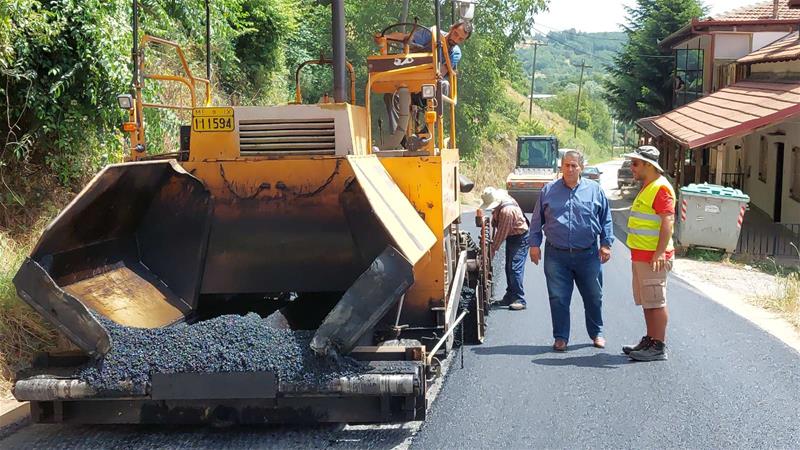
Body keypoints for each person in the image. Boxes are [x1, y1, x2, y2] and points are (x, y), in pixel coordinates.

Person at [529, 150, 613, 352]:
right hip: (556, 255)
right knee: (558, 297)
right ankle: (560, 337)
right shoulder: (548, 191)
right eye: (566, 165)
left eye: (574, 165)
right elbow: (537, 220)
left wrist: (606, 244)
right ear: (561, 167)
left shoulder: (595, 191)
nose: (569, 169)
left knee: (594, 295)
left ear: (581, 168)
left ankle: (597, 333)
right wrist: (534, 245)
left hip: (588, 254)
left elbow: (606, 219)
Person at [622, 146, 675, 362]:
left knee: (656, 300)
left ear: (648, 165)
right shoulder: (648, 186)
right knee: (647, 300)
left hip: (653, 257)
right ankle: (650, 339)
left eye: (635, 163)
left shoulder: (660, 188)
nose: (631, 167)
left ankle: (658, 345)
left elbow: (667, 221)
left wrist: (660, 253)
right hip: (642, 256)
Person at [383, 20, 472, 149]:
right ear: (452, 28)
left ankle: (425, 134)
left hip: (428, 89)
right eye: (455, 33)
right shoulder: (432, 33)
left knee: (444, 85)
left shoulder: (455, 52)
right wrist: (385, 37)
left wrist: (432, 75)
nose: (455, 39)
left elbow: (442, 72)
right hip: (411, 80)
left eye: (460, 38)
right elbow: (407, 38)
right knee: (390, 95)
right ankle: (398, 139)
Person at [480, 187, 529, 311]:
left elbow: (501, 234)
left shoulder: (507, 211)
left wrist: (491, 251)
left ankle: (519, 299)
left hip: (520, 237)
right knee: (508, 267)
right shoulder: (502, 200)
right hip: (512, 236)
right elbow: (497, 218)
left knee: (514, 267)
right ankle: (509, 296)